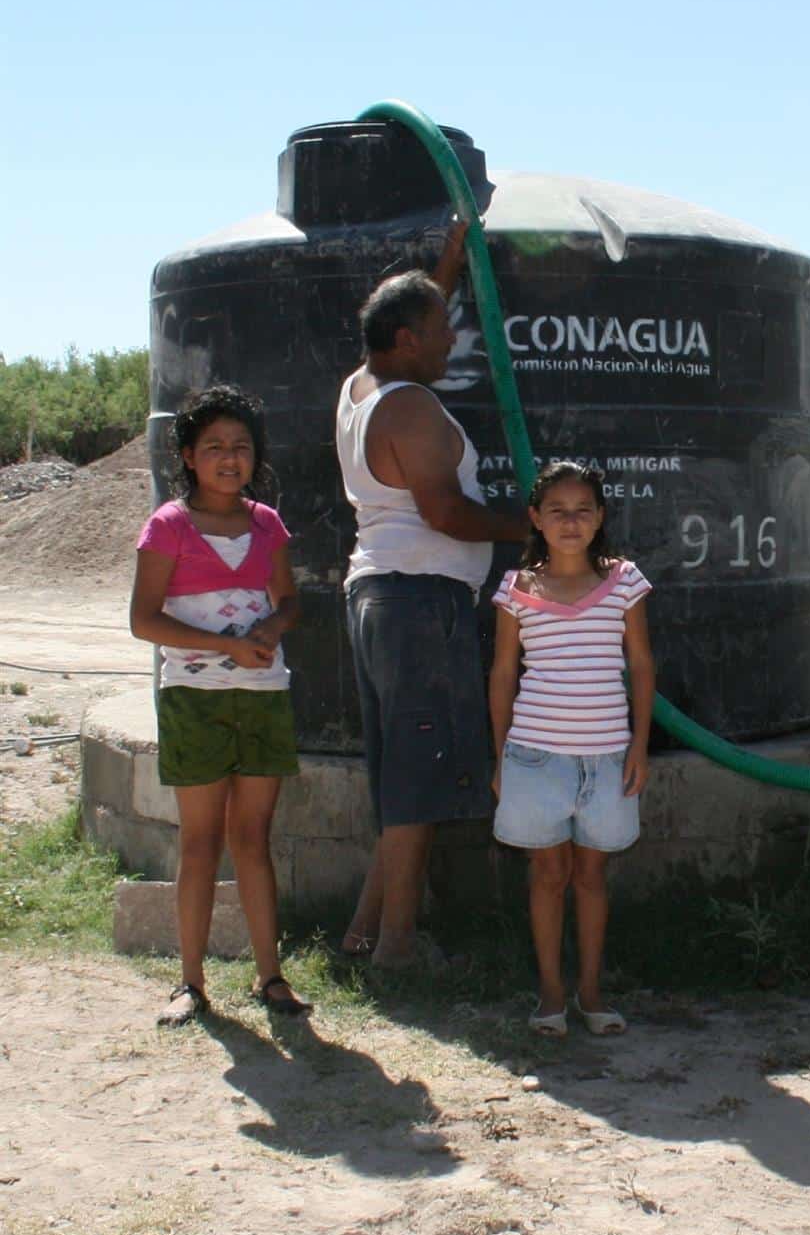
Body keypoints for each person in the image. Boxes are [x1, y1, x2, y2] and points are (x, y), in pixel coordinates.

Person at [336, 219, 527, 968]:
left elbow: (402, 326)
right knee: (416, 781)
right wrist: (529, 527)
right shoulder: (412, 408)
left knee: (398, 774)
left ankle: (362, 931)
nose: (453, 343)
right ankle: (398, 947)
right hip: (419, 603)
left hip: (378, 596)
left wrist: (444, 273)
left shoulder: (361, 386)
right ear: (407, 340)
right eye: (440, 332)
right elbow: (445, 511)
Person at [130, 384, 309, 1025]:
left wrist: (270, 631)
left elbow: (288, 601)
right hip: (195, 700)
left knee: (253, 840)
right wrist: (221, 647)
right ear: (187, 456)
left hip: (262, 697)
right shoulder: (168, 527)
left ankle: (271, 976)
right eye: (214, 447)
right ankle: (191, 984)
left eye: (241, 446)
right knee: (201, 842)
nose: (229, 458)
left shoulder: (266, 523)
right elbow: (144, 621)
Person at [487, 461, 654, 1036]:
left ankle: (591, 991)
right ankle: (551, 995)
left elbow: (640, 663)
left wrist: (639, 745)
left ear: (601, 517)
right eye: (556, 510)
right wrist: (499, 757)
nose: (570, 521)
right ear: (535, 517)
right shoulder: (516, 590)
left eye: (583, 509)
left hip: (607, 759)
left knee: (591, 876)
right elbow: (504, 673)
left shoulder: (625, 581)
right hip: (534, 757)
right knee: (547, 874)